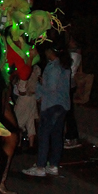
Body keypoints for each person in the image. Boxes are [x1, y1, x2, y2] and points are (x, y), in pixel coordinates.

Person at [22, 43, 71, 177]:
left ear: (51, 52)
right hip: (62, 105)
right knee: (56, 135)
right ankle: (53, 165)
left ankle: (40, 166)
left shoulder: (54, 67)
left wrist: (38, 86)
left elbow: (51, 88)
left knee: (44, 135)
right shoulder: (64, 66)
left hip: (52, 105)